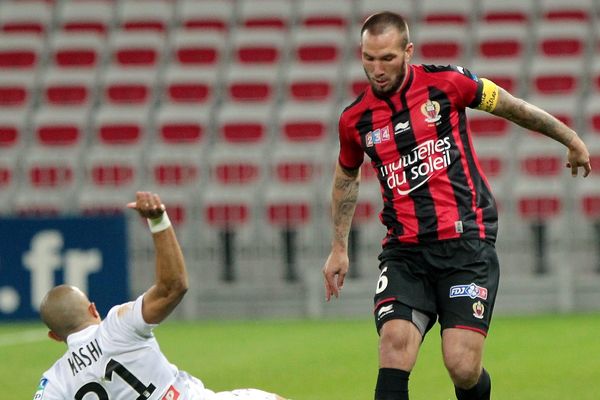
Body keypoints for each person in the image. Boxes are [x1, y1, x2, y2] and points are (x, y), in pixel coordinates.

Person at [322, 11, 592, 400]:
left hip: (466, 244)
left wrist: (569, 138)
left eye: (387, 58)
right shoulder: (354, 120)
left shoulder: (448, 83)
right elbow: (347, 176)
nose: (377, 69)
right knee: (394, 344)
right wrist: (338, 247)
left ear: (408, 52)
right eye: (368, 58)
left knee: (462, 367)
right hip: (405, 252)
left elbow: (512, 106)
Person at [33, 191, 287, 400]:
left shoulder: (54, 382)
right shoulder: (116, 326)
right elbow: (172, 287)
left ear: (54, 336)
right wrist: (158, 221)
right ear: (93, 310)